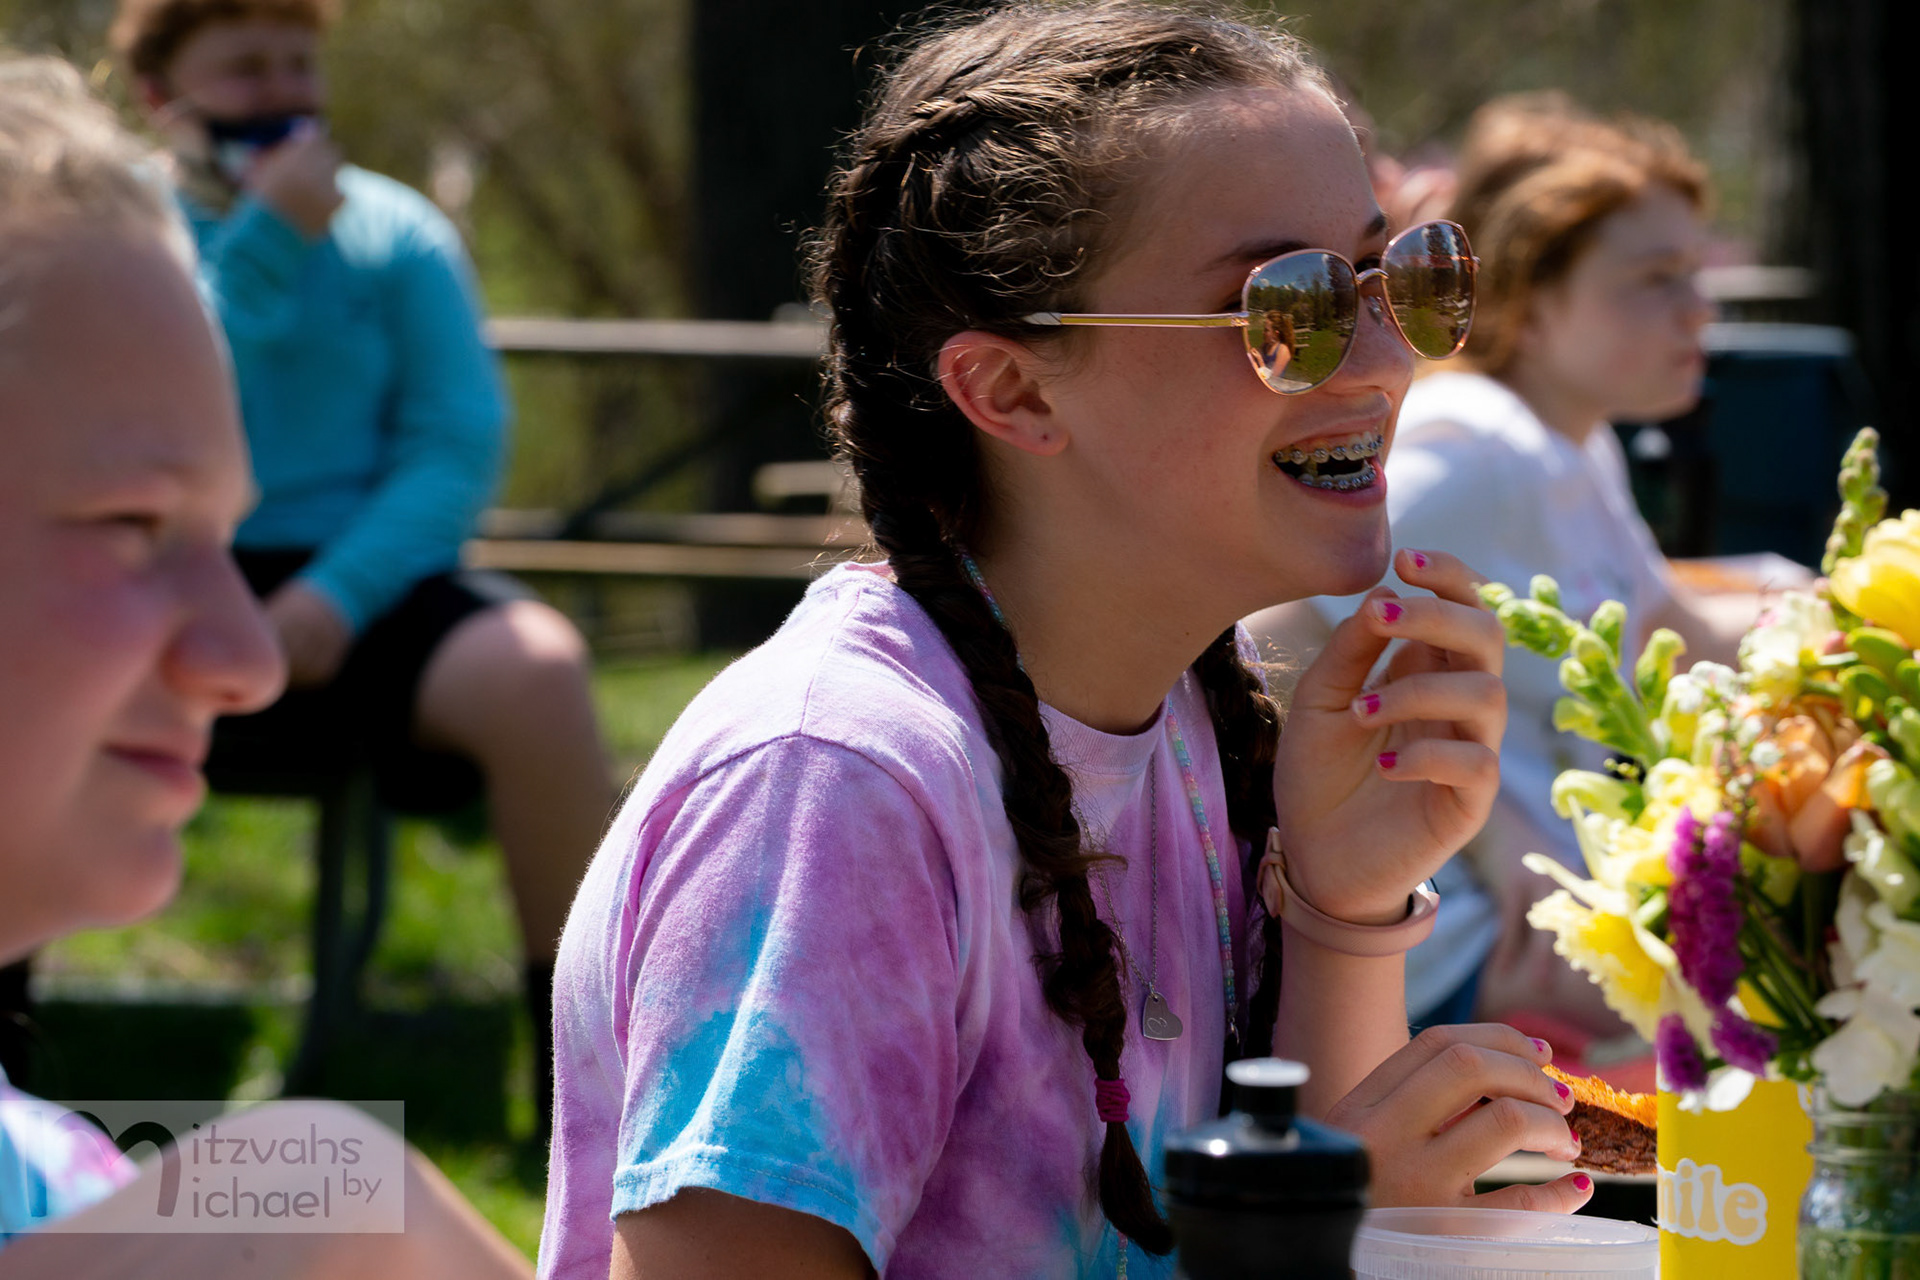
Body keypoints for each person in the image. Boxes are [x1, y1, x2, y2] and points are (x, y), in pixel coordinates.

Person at [539, 7, 1593, 1278]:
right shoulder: (835, 785)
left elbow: (1303, 1219)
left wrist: (1344, 903)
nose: (1382, 360)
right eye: (1284, 308)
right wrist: (1325, 1227)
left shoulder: (1190, 720)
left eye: (1402, 275)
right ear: (1016, 390)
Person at [0, 52, 530, 1276]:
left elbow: (458, 439)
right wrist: (317, 1210)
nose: (238, 660)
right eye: (131, 522)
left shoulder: (61, 1171)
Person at [109, 0, 616, 1124]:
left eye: (300, 62)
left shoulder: (400, 233)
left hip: (361, 576)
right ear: (160, 96)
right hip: (146, 581)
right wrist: (266, 249)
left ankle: (587, 1097)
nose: (285, 90)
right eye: (246, 67)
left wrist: (340, 590)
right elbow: (157, 407)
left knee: (538, 671)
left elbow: (454, 442)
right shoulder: (108, 233)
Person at [1251, 93, 1759, 1042]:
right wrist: (1497, 856)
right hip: (1447, 968)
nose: (1701, 308)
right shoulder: (1476, 443)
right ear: (1527, 294)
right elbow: (1285, 614)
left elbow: (1679, 631)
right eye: (1655, 278)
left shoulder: (1575, 447)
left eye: (1696, 271)